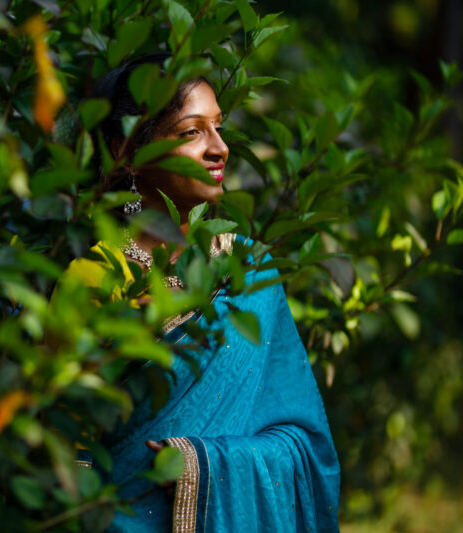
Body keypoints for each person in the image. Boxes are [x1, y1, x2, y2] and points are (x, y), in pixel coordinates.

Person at [63, 54, 341, 532]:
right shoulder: (94, 276)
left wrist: (207, 468)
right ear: (126, 151)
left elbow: (306, 445)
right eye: (192, 132)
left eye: (219, 127)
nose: (219, 148)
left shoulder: (248, 271)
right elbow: (63, 448)